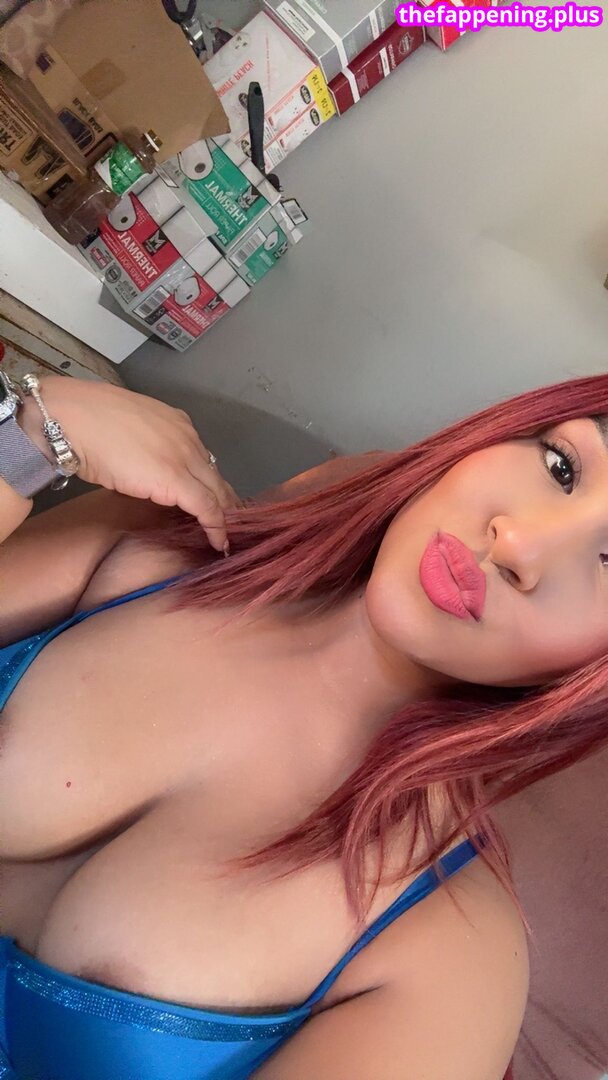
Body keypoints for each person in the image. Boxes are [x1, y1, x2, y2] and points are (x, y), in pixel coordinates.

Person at [2, 370, 608, 1080]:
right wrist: (25, 441)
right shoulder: (148, 545)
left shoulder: (454, 957)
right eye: (561, 466)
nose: (519, 543)